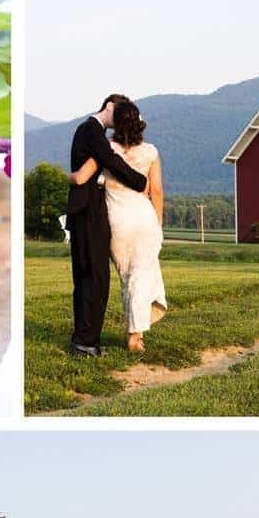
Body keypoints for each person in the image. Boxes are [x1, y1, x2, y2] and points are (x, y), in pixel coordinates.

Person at [69, 98, 166, 354]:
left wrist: (63, 175)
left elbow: (81, 177)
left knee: (126, 277)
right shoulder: (151, 152)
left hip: (118, 222)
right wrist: (158, 224)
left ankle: (130, 331)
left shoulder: (105, 148)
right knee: (141, 274)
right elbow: (155, 191)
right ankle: (135, 333)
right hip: (145, 219)